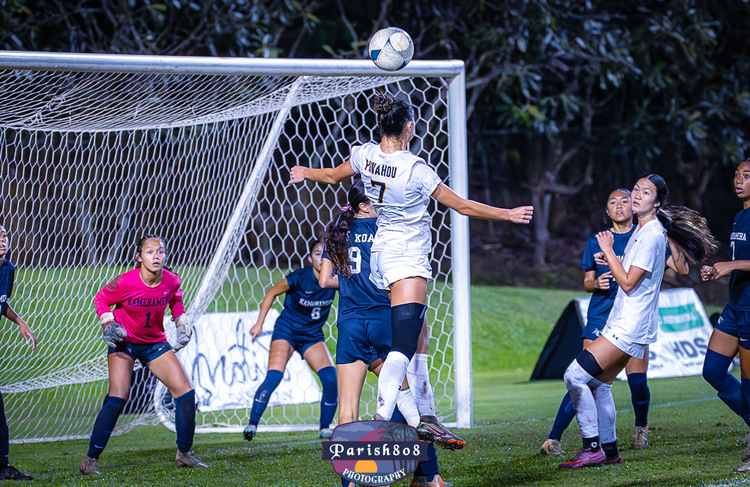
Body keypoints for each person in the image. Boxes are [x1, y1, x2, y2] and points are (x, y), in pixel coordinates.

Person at [289, 91, 533, 443]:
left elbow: (330, 176)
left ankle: (426, 415)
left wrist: (305, 172)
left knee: (420, 337)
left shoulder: (364, 154)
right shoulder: (416, 170)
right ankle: (383, 418)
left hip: (383, 255)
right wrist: (506, 214)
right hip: (407, 258)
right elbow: (462, 206)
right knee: (402, 349)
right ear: (410, 127)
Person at [559, 174, 716, 469]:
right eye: (635, 189)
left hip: (629, 325)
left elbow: (629, 283)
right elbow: (636, 273)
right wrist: (612, 260)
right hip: (628, 322)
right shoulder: (645, 231)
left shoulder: (650, 234)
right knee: (599, 386)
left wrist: (608, 250)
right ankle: (609, 450)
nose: (636, 194)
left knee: (574, 376)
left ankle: (591, 448)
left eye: (645, 192)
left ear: (656, 203)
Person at [320, 179, 452, 487]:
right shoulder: (386, 230)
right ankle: (430, 477)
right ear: (365, 205)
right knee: (407, 402)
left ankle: (350, 483)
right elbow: (398, 279)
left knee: (347, 412)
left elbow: (325, 281)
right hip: (384, 321)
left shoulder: (337, 233)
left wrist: (351, 283)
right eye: (378, 199)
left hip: (350, 325)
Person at [541, 188, 688, 455]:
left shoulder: (647, 236)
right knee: (584, 378)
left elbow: (680, 268)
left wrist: (670, 234)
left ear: (634, 207)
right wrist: (595, 282)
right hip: (600, 317)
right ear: (607, 211)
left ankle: (638, 428)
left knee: (636, 381)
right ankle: (556, 438)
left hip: (630, 322)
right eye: (613, 202)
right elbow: (587, 282)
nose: (619, 206)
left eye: (625, 201)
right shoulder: (598, 240)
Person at [80, 235, 204, 475]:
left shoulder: (172, 280)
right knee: (118, 397)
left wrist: (181, 323)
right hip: (124, 342)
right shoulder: (125, 281)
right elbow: (101, 299)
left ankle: (184, 454)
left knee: (186, 394)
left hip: (154, 343)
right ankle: (90, 460)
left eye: (160, 251)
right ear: (138, 257)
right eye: (150, 252)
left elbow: (175, 299)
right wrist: (108, 323)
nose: (156, 256)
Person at [243, 240, 338, 441]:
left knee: (331, 379)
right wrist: (259, 323)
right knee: (274, 376)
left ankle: (324, 429)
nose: (322, 258)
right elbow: (271, 293)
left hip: (312, 335)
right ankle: (252, 425)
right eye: (317, 254)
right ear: (310, 258)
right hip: (287, 331)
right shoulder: (299, 277)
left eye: (326, 254)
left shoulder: (335, 279)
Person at [701, 158, 750, 473]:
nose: (739, 180)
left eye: (747, 175)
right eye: (737, 174)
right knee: (713, 371)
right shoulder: (740, 216)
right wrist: (718, 269)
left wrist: (730, 266)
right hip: (734, 307)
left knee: (748, 383)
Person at [0, 225, 37, 481]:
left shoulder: (9, 269)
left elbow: (2, 302)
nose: (2, 239)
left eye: (4, 235)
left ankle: (3, 466)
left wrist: (19, 321)